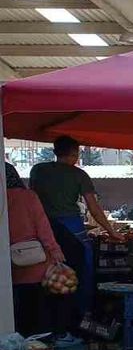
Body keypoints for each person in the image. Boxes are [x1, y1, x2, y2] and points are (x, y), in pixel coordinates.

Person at [29, 135, 122, 322]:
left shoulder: (38, 170)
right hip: (72, 227)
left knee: (47, 272)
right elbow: (93, 208)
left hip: (43, 226)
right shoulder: (79, 175)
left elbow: (32, 198)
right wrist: (112, 232)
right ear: (75, 154)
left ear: (55, 151)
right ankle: (82, 314)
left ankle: (48, 318)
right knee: (83, 269)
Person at [7, 162, 68, 338]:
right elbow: (42, 226)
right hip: (36, 260)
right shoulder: (28, 196)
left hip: (10, 262)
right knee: (39, 304)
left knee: (18, 306)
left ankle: (20, 337)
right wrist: (55, 250)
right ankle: (42, 339)